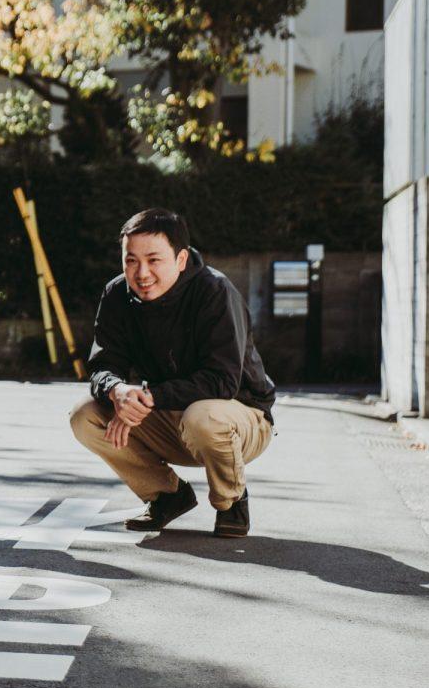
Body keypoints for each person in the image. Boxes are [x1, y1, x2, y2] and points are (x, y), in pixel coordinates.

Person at [68, 207, 275, 538]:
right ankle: (167, 495)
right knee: (85, 415)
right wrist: (118, 392)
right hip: (169, 415)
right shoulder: (117, 295)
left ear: (180, 260)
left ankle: (231, 498)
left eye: (154, 260)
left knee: (204, 416)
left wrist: (148, 398)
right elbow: (103, 364)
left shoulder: (214, 292)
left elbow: (221, 382)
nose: (142, 272)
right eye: (131, 260)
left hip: (239, 417)